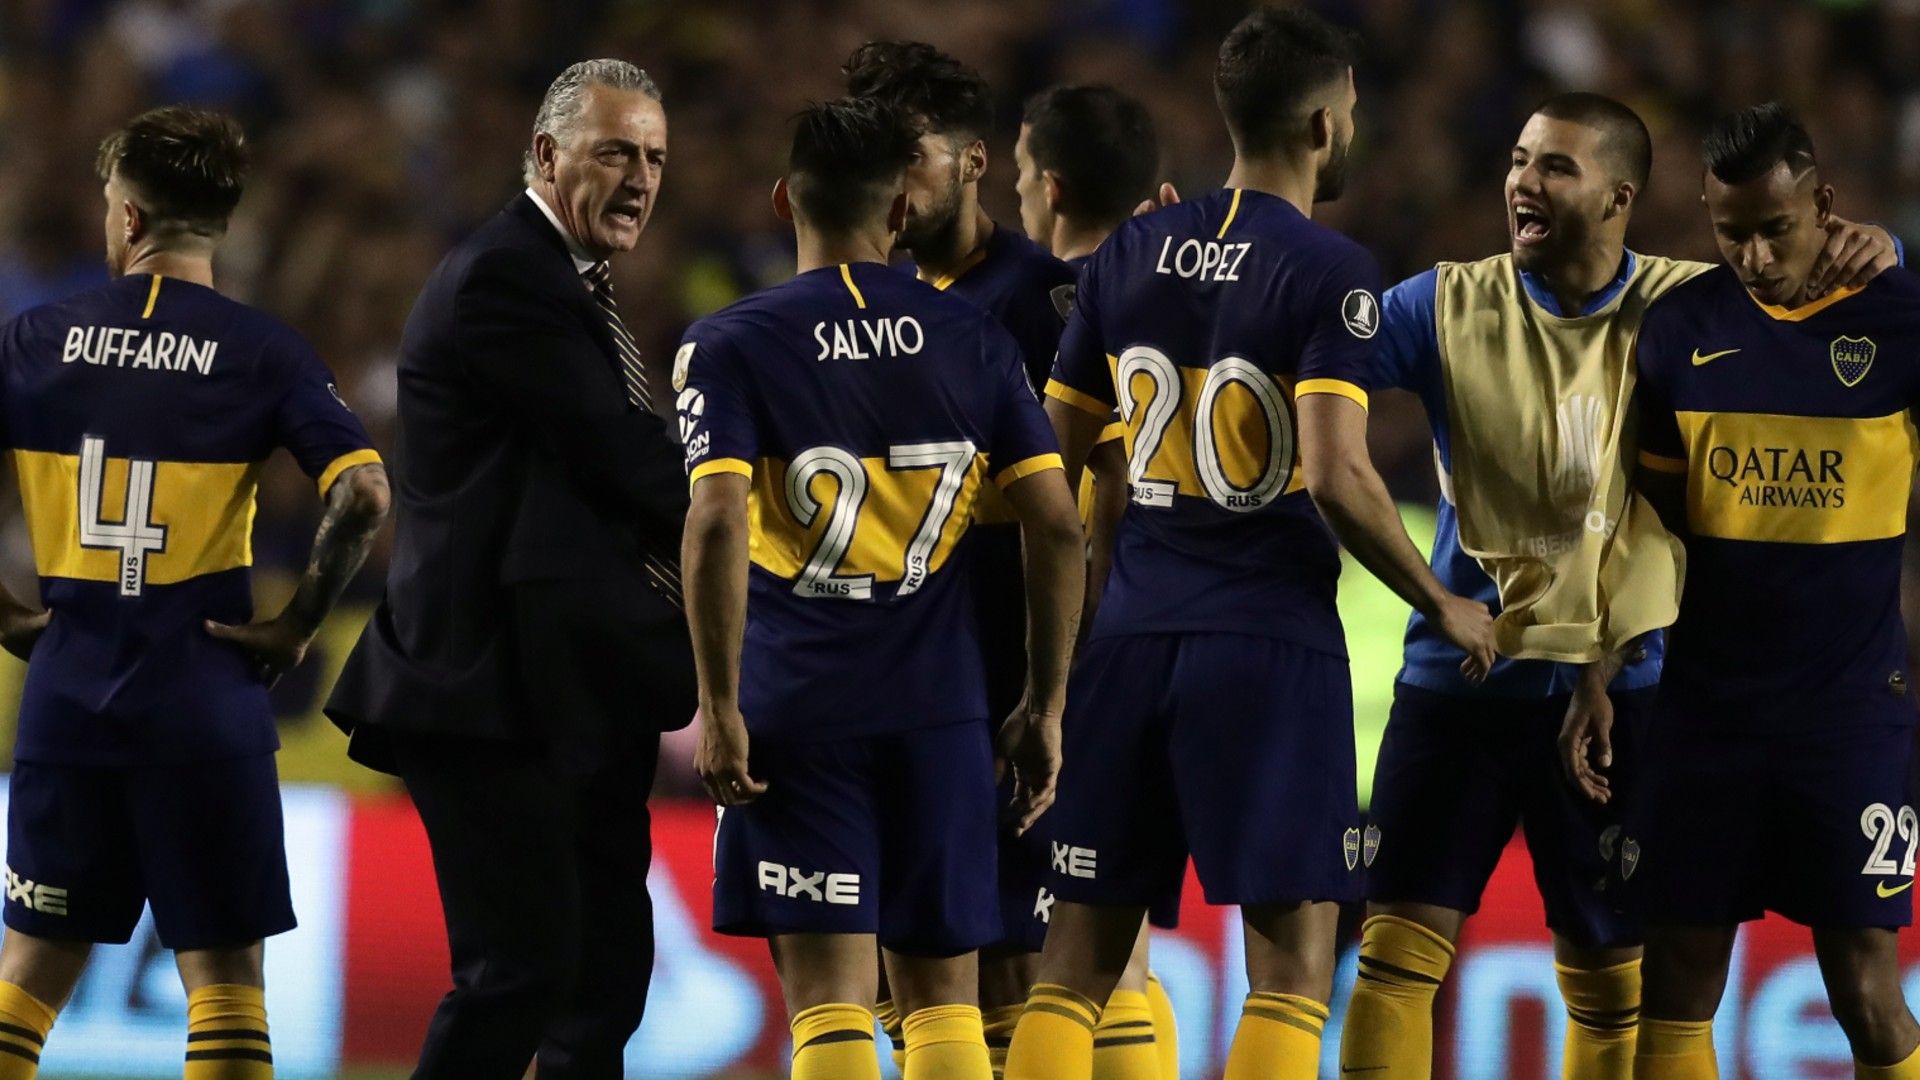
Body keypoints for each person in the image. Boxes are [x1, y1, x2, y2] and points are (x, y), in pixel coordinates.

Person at [1341, 94, 1901, 1078]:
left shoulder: (1692, 305)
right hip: (1464, 678)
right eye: (1519, 159)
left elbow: (1807, 285)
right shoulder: (1443, 304)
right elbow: (1321, 362)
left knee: (1612, 980)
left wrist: (1879, 247)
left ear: (1620, 197)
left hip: (1628, 691)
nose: (1524, 180)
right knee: (1394, 957)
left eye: (1555, 165)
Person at [1004, 10, 1496, 1079]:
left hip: (1131, 639)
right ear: (1323, 124)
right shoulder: (1330, 270)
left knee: (1074, 967)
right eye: (1351, 110)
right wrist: (1441, 601)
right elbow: (1336, 474)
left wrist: (1059, 662)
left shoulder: (1130, 248)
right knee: (1290, 974)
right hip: (1266, 646)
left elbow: (1051, 466)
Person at [677, 96, 1084, 1080]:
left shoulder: (731, 343)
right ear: (900, 210)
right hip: (939, 712)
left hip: (797, 707)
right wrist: (1044, 705)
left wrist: (719, 707)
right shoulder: (973, 337)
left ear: (785, 200)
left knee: (831, 1004)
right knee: (944, 1005)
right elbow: (1058, 525)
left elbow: (718, 520)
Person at [0, 106, 388, 1080]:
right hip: (203, 704)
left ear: (129, 217)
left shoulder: (35, 340)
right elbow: (364, 494)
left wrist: (4, 615)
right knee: (223, 982)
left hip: (68, 698)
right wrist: (298, 623)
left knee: (31, 974)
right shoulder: (263, 352)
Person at [324, 60, 692, 1079]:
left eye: (654, 158)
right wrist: (750, 500)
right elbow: (619, 456)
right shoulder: (506, 277)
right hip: (487, 691)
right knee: (521, 970)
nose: (640, 178)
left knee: (600, 976)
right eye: (614, 152)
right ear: (545, 154)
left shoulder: (565, 282)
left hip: (572, 691)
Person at [1616, 102, 1920, 1079]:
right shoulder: (1679, 331)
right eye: (1730, 232)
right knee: (1676, 983)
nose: (1752, 256)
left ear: (1823, 204)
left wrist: (1899, 251)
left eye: (1775, 229)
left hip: (1849, 711)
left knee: (1866, 989)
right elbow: (1657, 519)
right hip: (1708, 711)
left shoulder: (1901, 320)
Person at [841, 41, 1081, 1071]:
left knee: (1012, 967)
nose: (895, 184)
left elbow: (1076, 513)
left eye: (915, 157)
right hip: (907, 679)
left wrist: (1048, 690)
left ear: (975, 161)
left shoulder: (1039, 302)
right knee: (904, 971)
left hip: (1004, 680)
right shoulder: (879, 309)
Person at [1012, 81, 1176, 1080]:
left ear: (1051, 185)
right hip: (1166, 629)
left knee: (1066, 961)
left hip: (1070, 652)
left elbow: (1101, 491)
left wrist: (1066, 670)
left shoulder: (1039, 303)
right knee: (1123, 946)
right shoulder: (1180, 301)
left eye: (1020, 173)